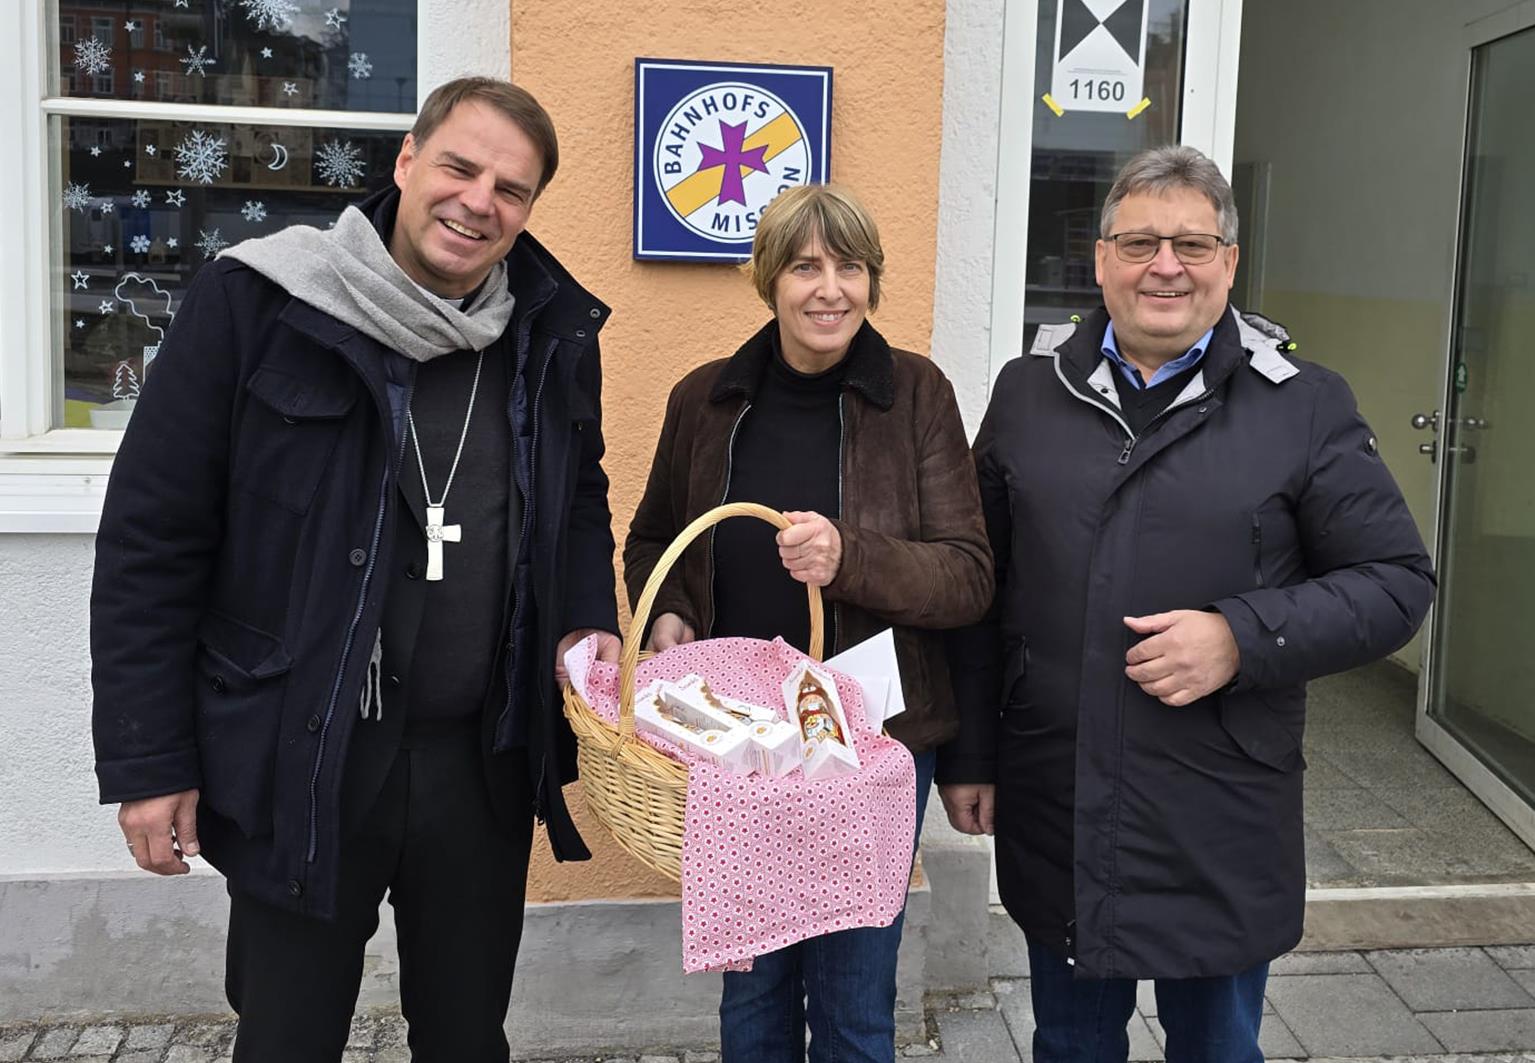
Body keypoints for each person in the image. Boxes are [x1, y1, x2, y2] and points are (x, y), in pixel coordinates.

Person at [90, 77, 621, 1062]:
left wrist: (587, 618)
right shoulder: (257, 300)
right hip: (309, 750)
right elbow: (150, 544)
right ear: (406, 161)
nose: (478, 202)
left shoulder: (548, 330)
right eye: (459, 167)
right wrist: (148, 761)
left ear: (529, 209)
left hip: (481, 757)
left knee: (466, 1037)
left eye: (510, 188)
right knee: (288, 1035)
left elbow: (576, 494)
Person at [937, 145, 1435, 1063]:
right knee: (1070, 1045)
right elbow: (980, 585)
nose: (1164, 265)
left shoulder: (1305, 404)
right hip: (1062, 797)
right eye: (1139, 242)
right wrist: (968, 751)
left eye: (1191, 244)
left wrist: (1242, 636)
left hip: (1217, 807)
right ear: (1098, 259)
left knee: (1215, 1049)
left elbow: (1397, 581)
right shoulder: (1026, 393)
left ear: (1229, 263)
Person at [624, 183, 993, 1063]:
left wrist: (851, 557)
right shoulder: (703, 398)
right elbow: (651, 540)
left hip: (871, 742)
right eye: (805, 266)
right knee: (752, 990)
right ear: (768, 279)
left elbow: (969, 576)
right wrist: (671, 609)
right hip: (742, 743)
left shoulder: (916, 394)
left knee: (855, 992)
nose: (830, 289)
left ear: (872, 281)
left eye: (851, 267)